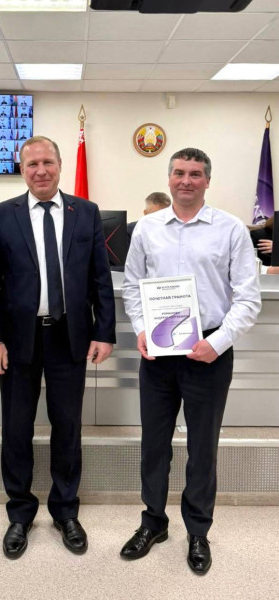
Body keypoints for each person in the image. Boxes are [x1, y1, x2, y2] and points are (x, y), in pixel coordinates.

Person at [121, 148, 261, 574]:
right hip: (159, 354)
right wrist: (141, 329)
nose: (186, 180)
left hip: (209, 353)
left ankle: (198, 531)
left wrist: (217, 343)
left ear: (207, 181)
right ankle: (153, 522)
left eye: (195, 174)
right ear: (169, 178)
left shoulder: (231, 229)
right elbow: (132, 286)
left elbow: (248, 298)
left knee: (202, 447)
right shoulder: (146, 229)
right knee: (153, 444)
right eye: (179, 172)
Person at [0, 136, 116, 559]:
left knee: (68, 425)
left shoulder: (85, 212)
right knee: (16, 427)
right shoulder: (2, 215)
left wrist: (104, 332)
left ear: (59, 165)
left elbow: (100, 277)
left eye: (47, 162)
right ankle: (20, 513)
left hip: (69, 336)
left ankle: (65, 510)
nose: (40, 170)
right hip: (17, 340)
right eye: (32, 164)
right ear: (22, 169)